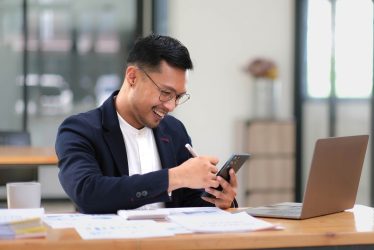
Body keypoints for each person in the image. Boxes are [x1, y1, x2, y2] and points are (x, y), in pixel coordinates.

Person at [55, 34, 238, 214]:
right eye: (166, 92)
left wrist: (219, 201)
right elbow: (88, 194)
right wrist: (175, 177)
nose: (171, 106)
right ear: (132, 77)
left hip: (170, 242)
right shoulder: (79, 130)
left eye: (178, 97)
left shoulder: (174, 130)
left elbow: (190, 201)